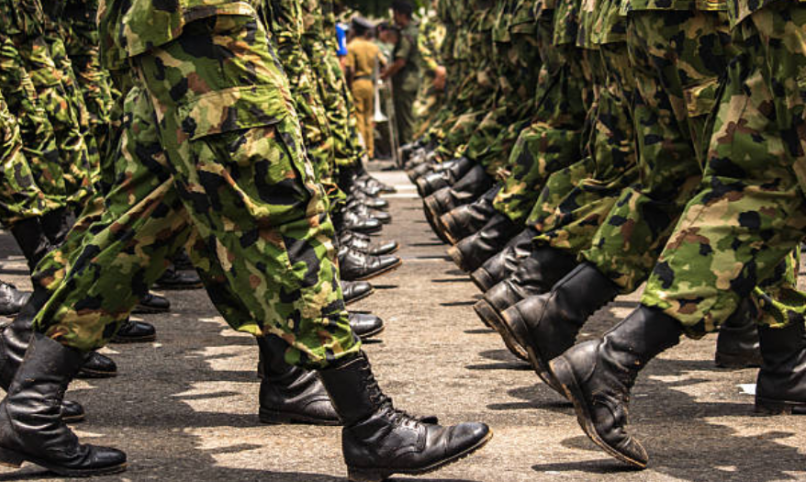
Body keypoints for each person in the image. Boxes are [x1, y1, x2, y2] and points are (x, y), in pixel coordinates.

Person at [0, 0, 492, 479]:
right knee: (280, 216)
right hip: (201, 32)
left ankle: (30, 404)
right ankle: (370, 424)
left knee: (138, 228)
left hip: (169, 32)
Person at [382, 0, 420, 147]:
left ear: (400, 14)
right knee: (405, 119)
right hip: (411, 81)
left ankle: (407, 154)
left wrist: (386, 74)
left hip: (405, 83)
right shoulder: (413, 31)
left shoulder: (407, 35)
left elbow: (400, 61)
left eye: (395, 15)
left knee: (405, 122)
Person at [345, 17, 383, 159]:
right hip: (370, 84)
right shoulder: (373, 46)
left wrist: (348, 86)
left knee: (359, 117)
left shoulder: (352, 46)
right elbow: (383, 62)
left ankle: (362, 150)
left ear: (354, 30)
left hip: (357, 83)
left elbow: (351, 69)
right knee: (368, 117)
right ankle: (370, 150)